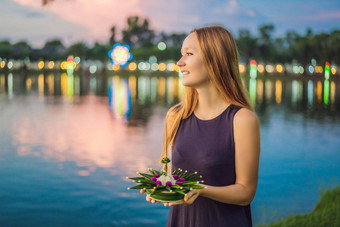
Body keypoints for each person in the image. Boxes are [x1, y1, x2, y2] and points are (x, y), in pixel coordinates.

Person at [141, 25, 260, 227]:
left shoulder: (242, 119)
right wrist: (158, 187)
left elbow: (245, 193)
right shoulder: (175, 116)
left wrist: (201, 189)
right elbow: (169, 174)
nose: (179, 63)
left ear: (215, 59)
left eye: (189, 54)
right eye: (181, 55)